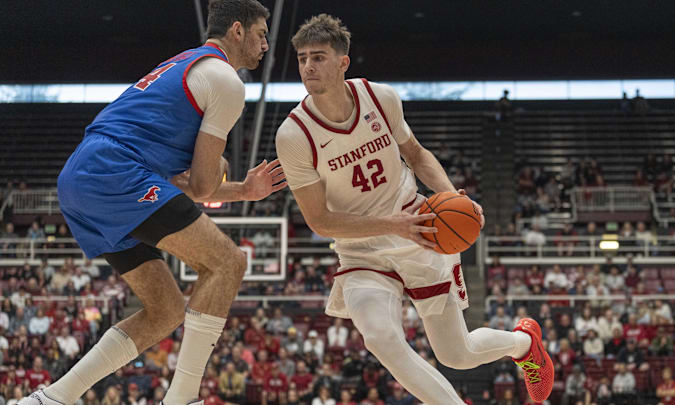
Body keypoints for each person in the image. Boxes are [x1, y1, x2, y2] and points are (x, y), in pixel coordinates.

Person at [274, 14, 552, 404]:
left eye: (318, 57)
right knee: (381, 339)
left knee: (456, 353)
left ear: (342, 63)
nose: (307, 67)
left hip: (420, 230)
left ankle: (524, 344)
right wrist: (391, 224)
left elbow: (418, 156)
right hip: (361, 249)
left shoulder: (380, 98)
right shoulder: (293, 134)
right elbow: (318, 220)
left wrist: (454, 196)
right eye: (302, 58)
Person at [20, 2, 286, 405]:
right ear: (237, 30)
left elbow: (192, 184)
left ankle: (53, 398)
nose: (267, 43)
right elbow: (199, 185)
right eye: (261, 33)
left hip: (82, 175)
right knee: (228, 263)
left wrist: (238, 189)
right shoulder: (226, 80)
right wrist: (227, 182)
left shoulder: (185, 63)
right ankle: (181, 400)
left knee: (165, 309)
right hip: (115, 171)